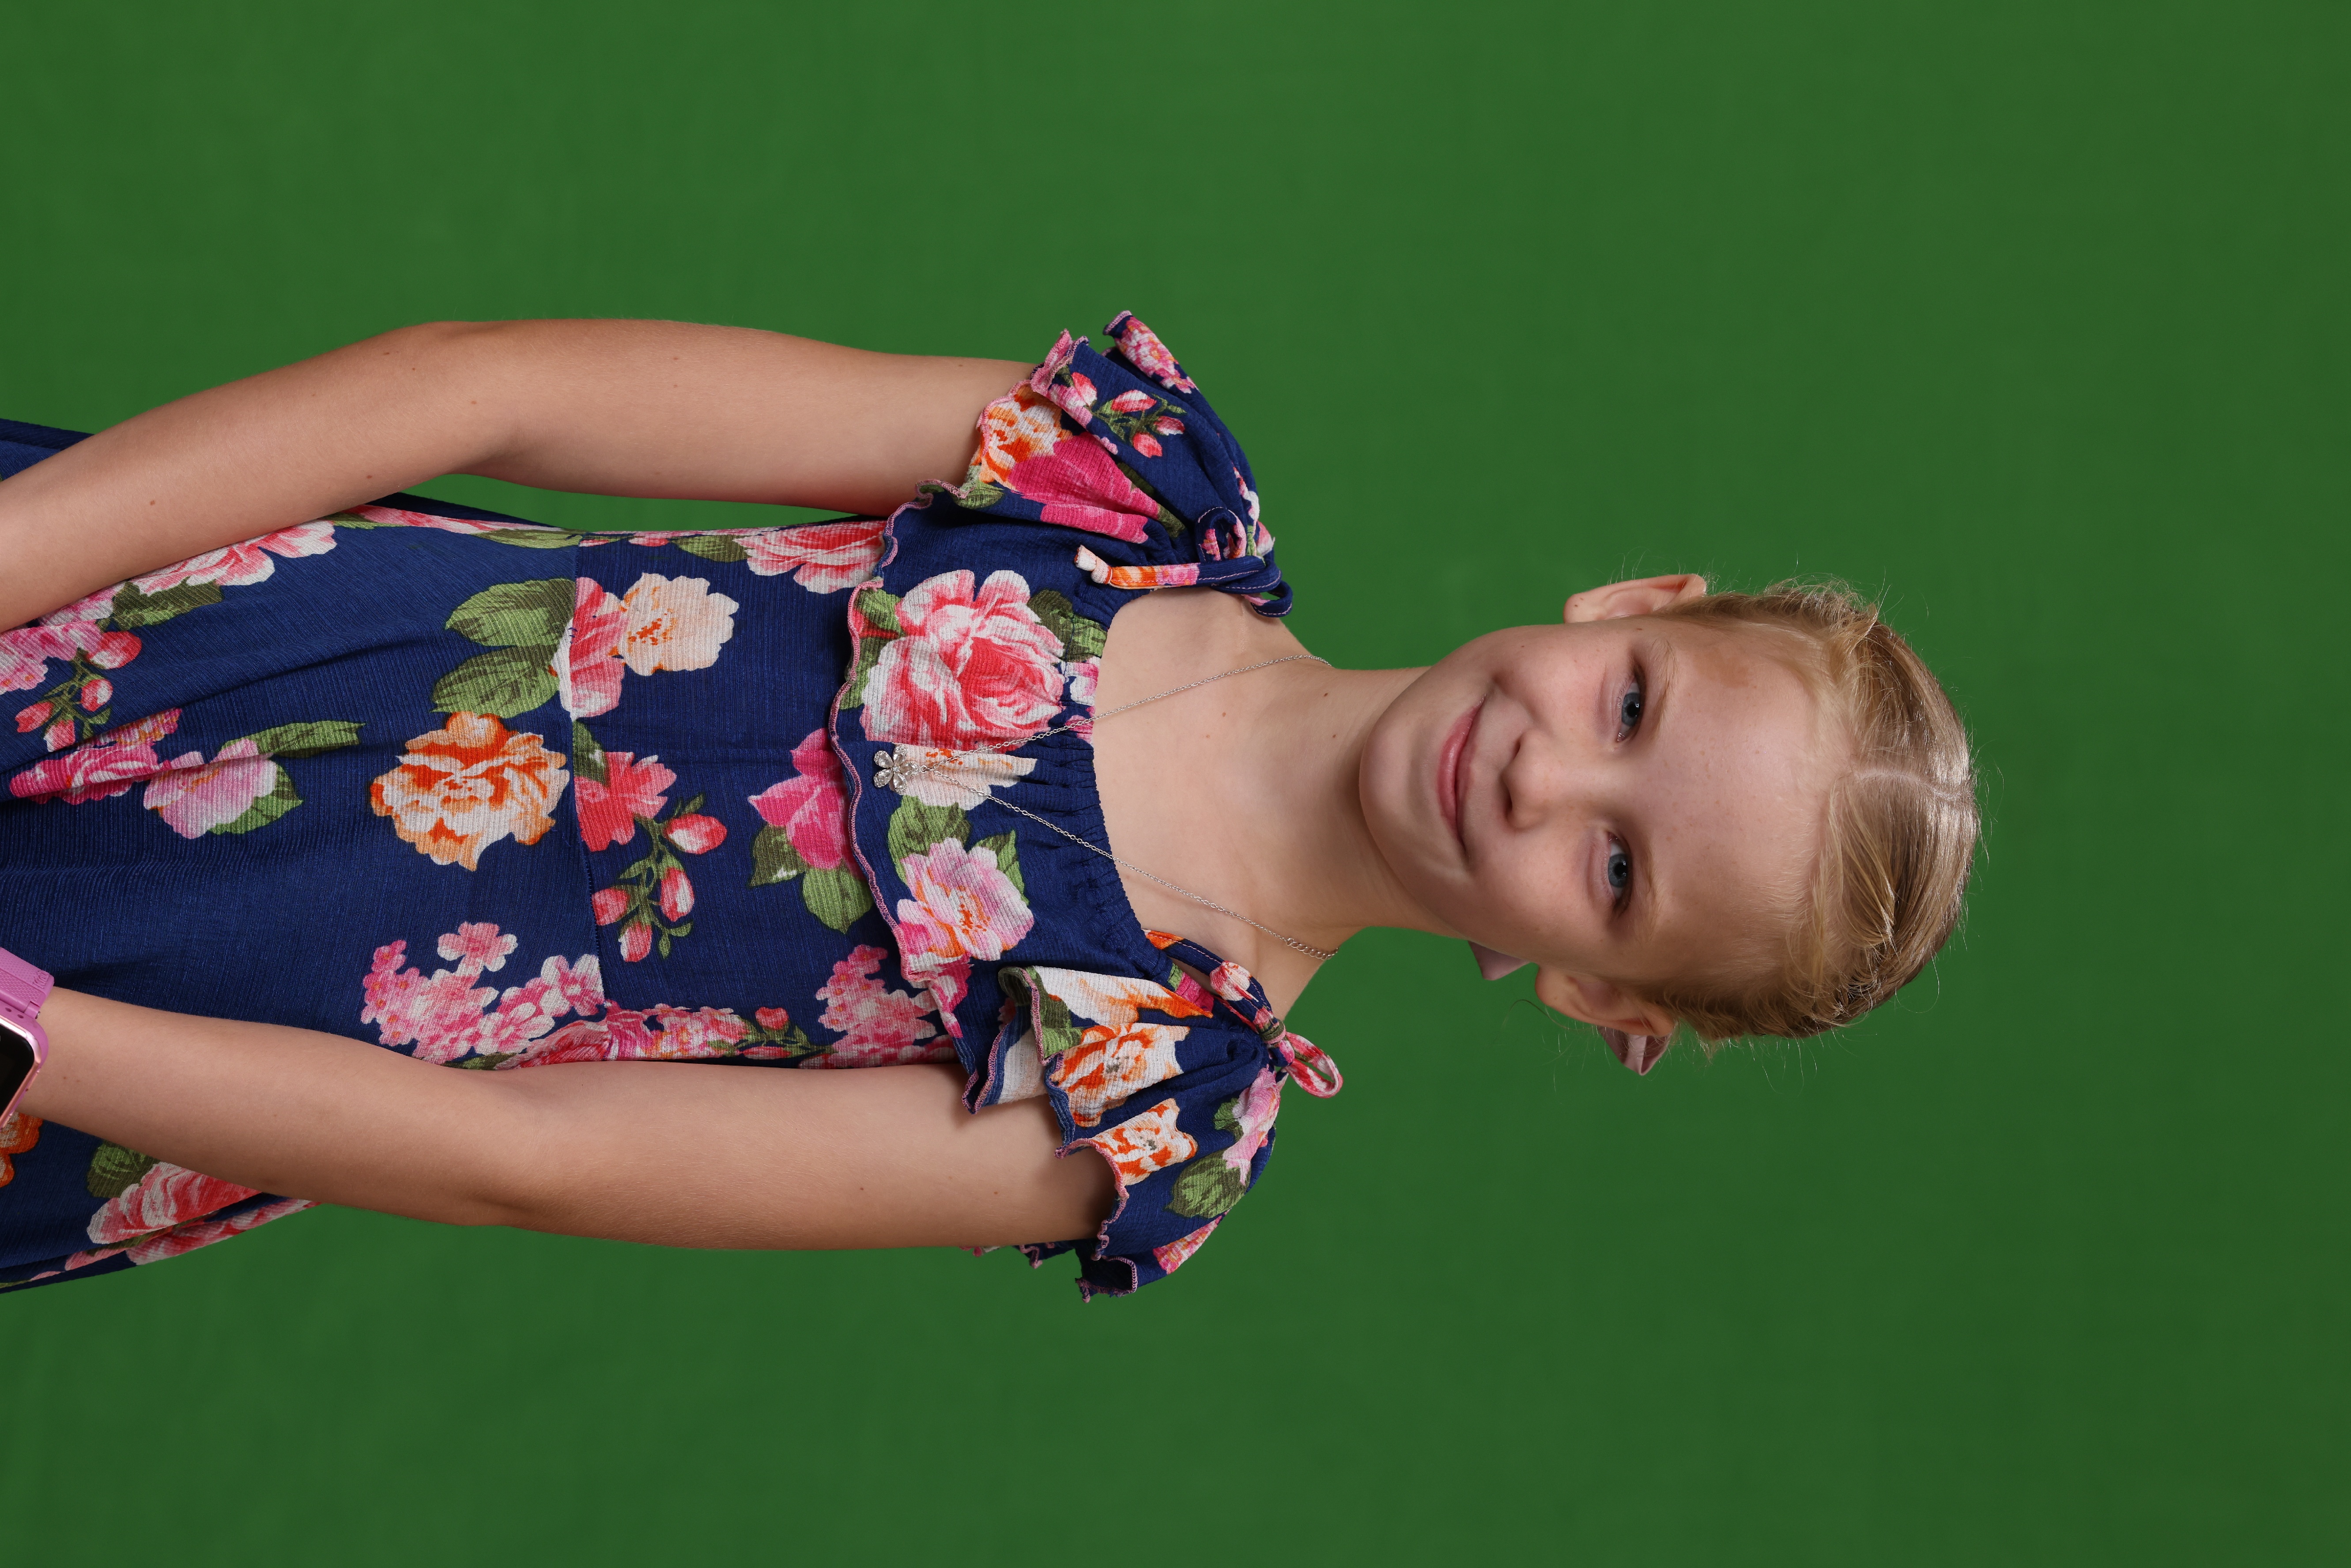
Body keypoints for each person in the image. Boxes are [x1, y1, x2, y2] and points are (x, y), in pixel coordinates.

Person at [0, 314, 1977, 1298]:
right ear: (1629, 605)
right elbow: (486, 390)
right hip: (114, 597)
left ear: (1593, 992)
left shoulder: (1144, 1101)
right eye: (1629, 706)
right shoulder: (1115, 487)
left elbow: (535, 1161)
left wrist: (34, 1034)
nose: (1548, 773)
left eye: (1617, 869)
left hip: (134, 1017)